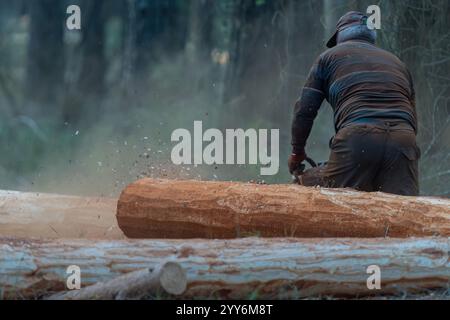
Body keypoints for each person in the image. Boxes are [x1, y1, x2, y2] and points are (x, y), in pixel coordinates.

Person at [288, 11, 420, 196]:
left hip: (358, 137)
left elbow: (304, 110)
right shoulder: (398, 63)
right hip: (403, 141)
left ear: (341, 35)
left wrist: (297, 152)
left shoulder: (328, 57)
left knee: (336, 209)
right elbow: (412, 120)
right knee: (404, 216)